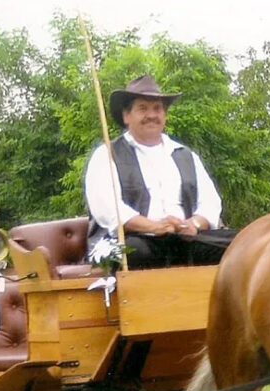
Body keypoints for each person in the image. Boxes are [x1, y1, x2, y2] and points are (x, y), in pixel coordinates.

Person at [85, 74, 233, 269]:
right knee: (134, 252)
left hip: (184, 239)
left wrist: (194, 224)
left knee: (241, 243)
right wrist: (155, 227)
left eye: (157, 109)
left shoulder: (185, 155)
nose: (152, 115)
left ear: (165, 115)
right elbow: (109, 210)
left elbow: (210, 204)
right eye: (142, 108)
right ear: (126, 116)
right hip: (131, 240)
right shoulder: (107, 154)